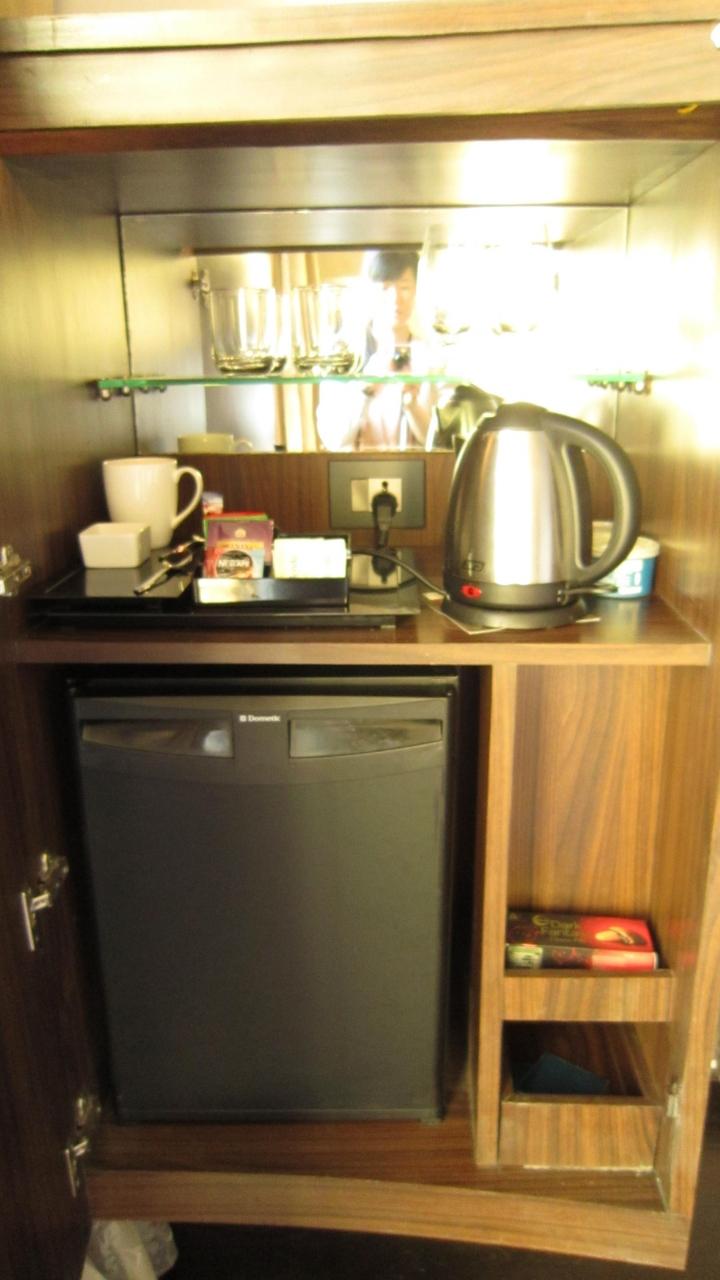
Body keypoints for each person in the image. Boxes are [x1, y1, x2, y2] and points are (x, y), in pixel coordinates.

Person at [316, 250, 437, 450]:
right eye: (385, 287)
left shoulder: (430, 357)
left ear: (417, 290)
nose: (396, 298)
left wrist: (411, 404)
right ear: (369, 291)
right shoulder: (343, 355)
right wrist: (366, 388)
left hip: (414, 466)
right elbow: (333, 439)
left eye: (404, 287)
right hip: (353, 468)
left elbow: (437, 443)